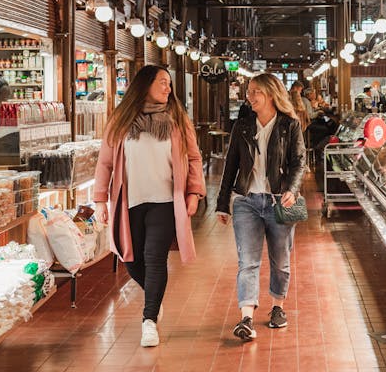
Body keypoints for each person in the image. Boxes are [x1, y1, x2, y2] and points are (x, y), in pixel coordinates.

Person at [93, 65, 205, 348]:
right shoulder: (120, 120)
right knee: (130, 258)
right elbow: (105, 162)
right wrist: (99, 199)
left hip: (165, 202)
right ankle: (154, 298)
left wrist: (194, 192)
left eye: (169, 83)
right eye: (163, 82)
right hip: (129, 201)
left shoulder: (177, 118)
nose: (168, 88)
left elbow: (193, 158)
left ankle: (149, 320)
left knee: (155, 258)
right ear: (145, 85)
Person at [215, 73, 307, 341]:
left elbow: (299, 162)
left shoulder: (289, 125)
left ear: (270, 94)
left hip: (279, 201)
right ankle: (246, 317)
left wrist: (291, 189)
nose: (249, 96)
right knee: (248, 262)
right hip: (247, 202)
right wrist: (223, 203)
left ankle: (278, 307)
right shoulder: (242, 126)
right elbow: (230, 165)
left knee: (280, 261)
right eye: (249, 91)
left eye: (255, 91)